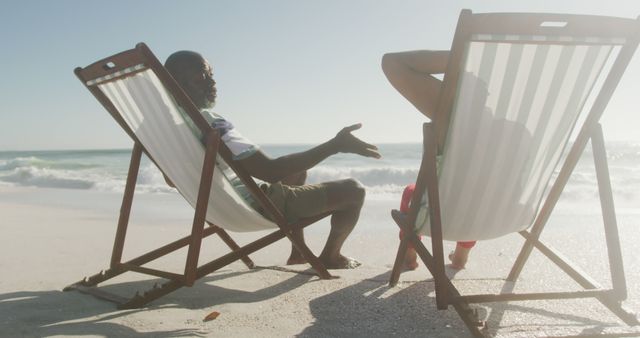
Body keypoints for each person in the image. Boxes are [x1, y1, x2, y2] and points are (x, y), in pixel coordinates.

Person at [164, 50, 381, 269]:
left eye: (212, 75)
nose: (213, 83)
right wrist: (335, 145)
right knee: (354, 191)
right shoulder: (210, 123)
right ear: (177, 83)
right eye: (202, 76)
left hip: (216, 205)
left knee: (297, 173)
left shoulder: (166, 127)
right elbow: (270, 171)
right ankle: (331, 256)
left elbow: (170, 180)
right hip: (254, 204)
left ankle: (298, 253)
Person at [381, 50, 475, 270]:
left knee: (411, 192)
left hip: (442, 216)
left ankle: (410, 256)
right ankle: (461, 256)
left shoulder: (454, 116)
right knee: (478, 191)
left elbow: (392, 63)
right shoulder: (522, 126)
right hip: (498, 216)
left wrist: (469, 58)